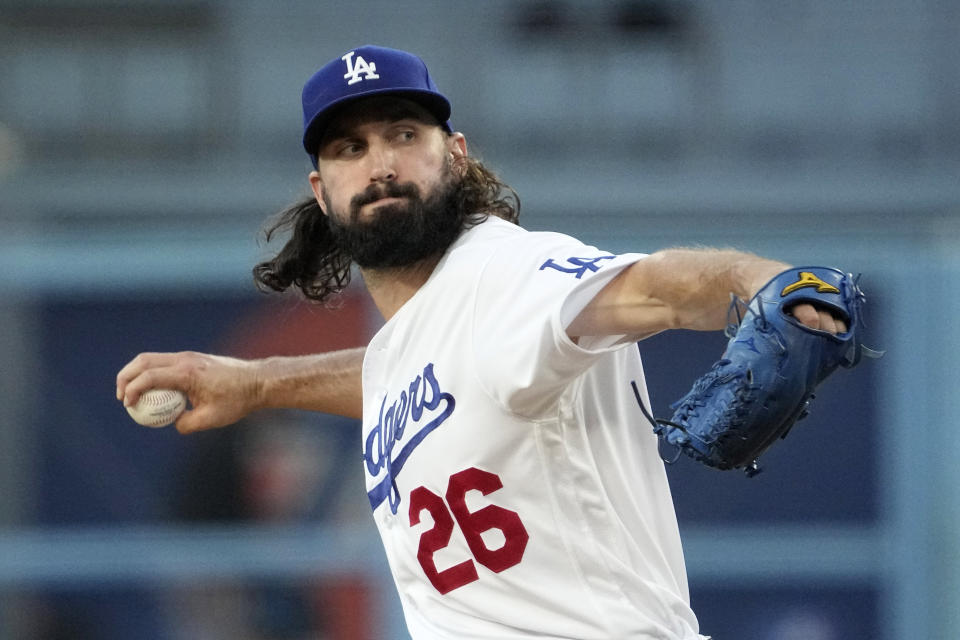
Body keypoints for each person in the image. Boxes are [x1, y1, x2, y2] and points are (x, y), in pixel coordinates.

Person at [116, 45, 849, 639]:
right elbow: (414, 376)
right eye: (351, 147)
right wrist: (257, 384)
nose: (381, 165)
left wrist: (771, 282)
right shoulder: (428, 329)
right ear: (321, 189)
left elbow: (651, 287)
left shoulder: (506, 274)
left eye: (405, 134)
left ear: (456, 155)